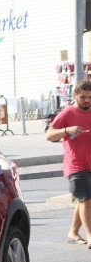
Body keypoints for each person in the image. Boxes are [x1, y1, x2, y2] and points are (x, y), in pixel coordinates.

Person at [46, 80, 91, 247]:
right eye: (83, 97)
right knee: (86, 199)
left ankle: (73, 231)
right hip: (76, 164)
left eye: (90, 98)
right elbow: (49, 135)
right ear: (75, 95)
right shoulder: (67, 113)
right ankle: (90, 235)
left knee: (83, 200)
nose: (87, 101)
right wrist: (67, 130)